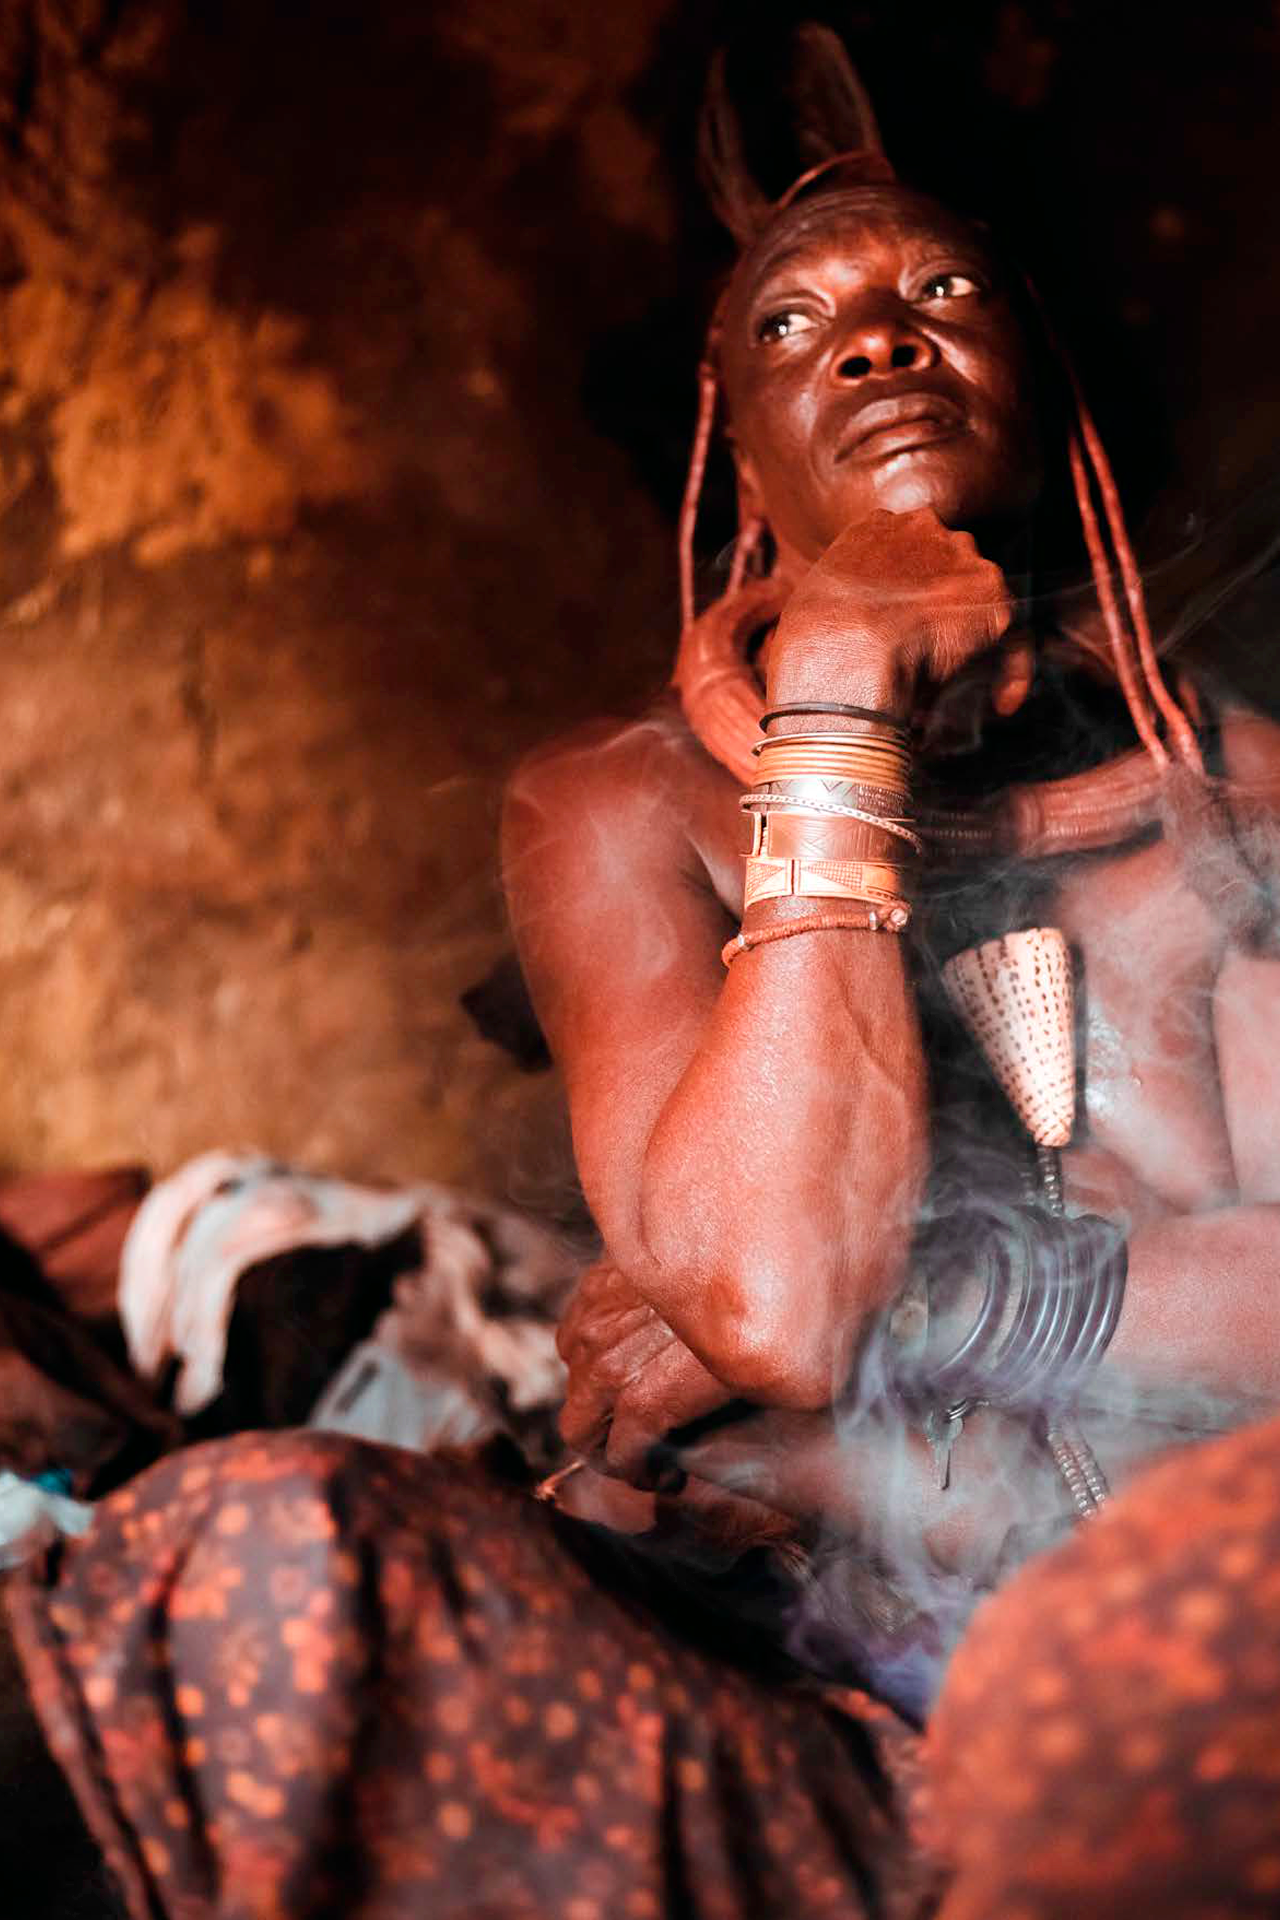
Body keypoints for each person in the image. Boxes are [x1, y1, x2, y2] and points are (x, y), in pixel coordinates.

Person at [10, 25, 1280, 1920]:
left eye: (945, 295)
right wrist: (836, 700)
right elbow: (777, 1302)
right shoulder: (615, 805)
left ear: (1048, 374)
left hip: (1181, 1639)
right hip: (808, 1685)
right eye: (796, 325)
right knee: (269, 1545)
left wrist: (952, 1292)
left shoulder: (1241, 795)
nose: (880, 343)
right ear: (741, 451)